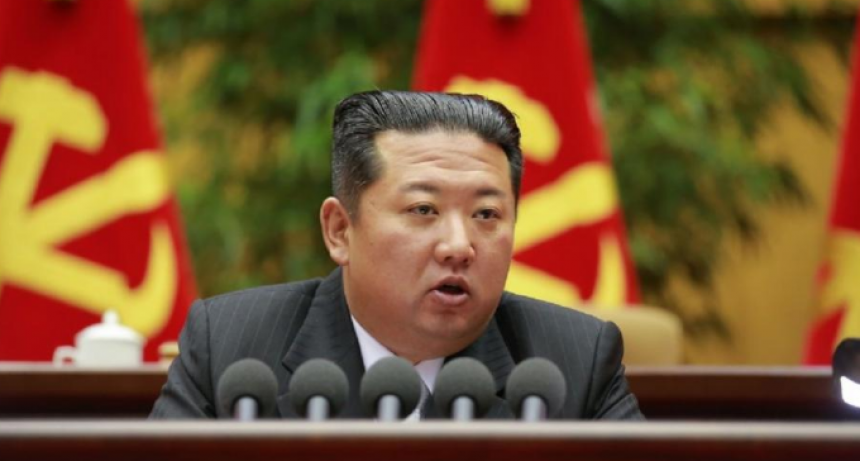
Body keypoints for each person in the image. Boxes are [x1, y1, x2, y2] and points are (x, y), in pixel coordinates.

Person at [150, 90, 643, 420]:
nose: (458, 246)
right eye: (423, 209)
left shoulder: (574, 361)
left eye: (486, 214)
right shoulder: (232, 349)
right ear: (340, 230)